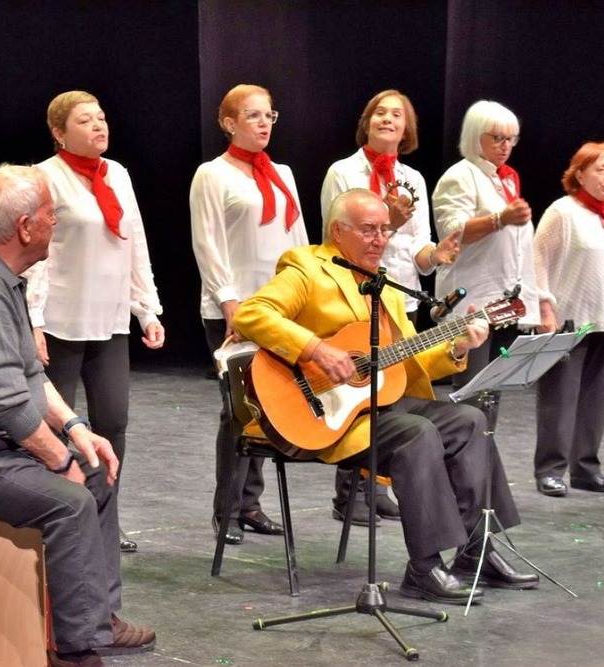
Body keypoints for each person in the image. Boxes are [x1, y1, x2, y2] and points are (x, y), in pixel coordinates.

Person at [0, 165, 155, 667]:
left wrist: (77, 430)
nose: (54, 222)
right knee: (70, 501)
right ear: (24, 228)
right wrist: (60, 462)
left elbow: (29, 377)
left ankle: (98, 618)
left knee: (96, 473)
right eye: (49, 214)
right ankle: (77, 650)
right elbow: (3, 401)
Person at [232, 188, 538, 604]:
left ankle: (475, 549)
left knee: (470, 421)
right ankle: (425, 566)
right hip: (323, 413)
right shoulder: (307, 267)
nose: (380, 239)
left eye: (385, 231)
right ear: (338, 231)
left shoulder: (388, 289)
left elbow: (411, 361)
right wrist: (316, 349)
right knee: (417, 433)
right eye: (369, 230)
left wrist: (458, 344)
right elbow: (253, 314)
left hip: (379, 403)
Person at [25, 91, 164, 554]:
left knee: (113, 420)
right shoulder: (46, 176)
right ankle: (57, 518)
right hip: (63, 320)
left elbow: (135, 241)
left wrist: (147, 308)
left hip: (110, 320)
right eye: (85, 121)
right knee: (57, 425)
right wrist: (34, 320)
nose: (98, 126)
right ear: (60, 132)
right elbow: (38, 256)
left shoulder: (117, 174)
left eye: (101, 118)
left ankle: (105, 518)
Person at [320, 90, 462, 526]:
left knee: (393, 391)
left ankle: (376, 485)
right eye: (380, 112)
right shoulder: (343, 172)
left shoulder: (414, 179)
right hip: (354, 294)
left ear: (407, 129)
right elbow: (335, 237)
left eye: (397, 115)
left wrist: (435, 256)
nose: (388, 119)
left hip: (400, 297)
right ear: (367, 122)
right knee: (360, 389)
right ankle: (349, 494)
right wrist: (391, 222)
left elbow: (418, 248)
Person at [190, 84, 307, 545]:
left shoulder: (284, 173)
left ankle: (251, 503)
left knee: (273, 408)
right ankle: (227, 508)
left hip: (279, 309)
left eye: (269, 116)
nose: (263, 123)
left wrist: (306, 298)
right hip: (234, 308)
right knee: (238, 412)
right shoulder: (212, 174)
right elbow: (207, 241)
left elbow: (297, 239)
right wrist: (229, 303)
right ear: (229, 122)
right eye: (253, 115)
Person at [532, 142, 604, 497]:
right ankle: (551, 469)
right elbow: (537, 261)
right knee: (559, 400)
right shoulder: (562, 212)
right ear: (579, 174)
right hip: (569, 318)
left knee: (595, 399)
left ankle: (585, 468)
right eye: (600, 169)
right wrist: (544, 308)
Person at [431, 100, 539, 415]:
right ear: (476, 136)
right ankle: (468, 461)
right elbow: (453, 232)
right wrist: (500, 219)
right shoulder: (460, 176)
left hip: (503, 303)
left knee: (490, 395)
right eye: (497, 138)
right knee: (471, 396)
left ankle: (483, 460)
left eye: (511, 139)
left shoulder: (504, 180)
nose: (506, 146)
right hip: (472, 301)